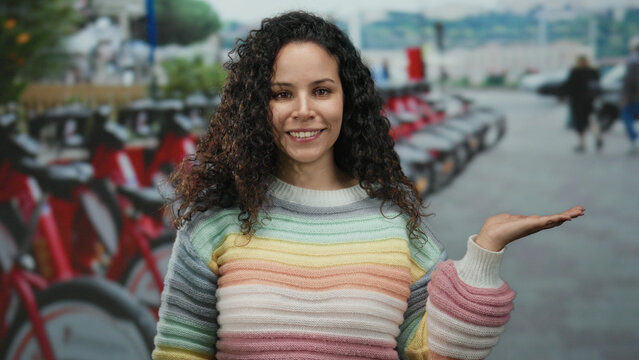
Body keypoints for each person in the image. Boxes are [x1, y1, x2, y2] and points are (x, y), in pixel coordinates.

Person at [152, 11, 584, 360]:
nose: (303, 110)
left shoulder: (396, 226)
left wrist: (485, 253)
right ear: (253, 106)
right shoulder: (214, 225)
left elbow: (436, 352)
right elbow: (177, 353)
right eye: (281, 93)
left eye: (321, 91)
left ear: (347, 100)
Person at [562, 55, 601, 152]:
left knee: (579, 122)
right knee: (589, 120)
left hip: (577, 101)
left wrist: (562, 94)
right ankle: (597, 136)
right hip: (589, 100)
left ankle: (582, 143)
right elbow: (596, 85)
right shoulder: (593, 72)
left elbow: (568, 86)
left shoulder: (575, 72)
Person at [621, 36, 639, 154]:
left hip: (634, 96)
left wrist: (625, 96)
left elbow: (629, 80)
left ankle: (634, 138)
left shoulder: (633, 60)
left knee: (626, 116)